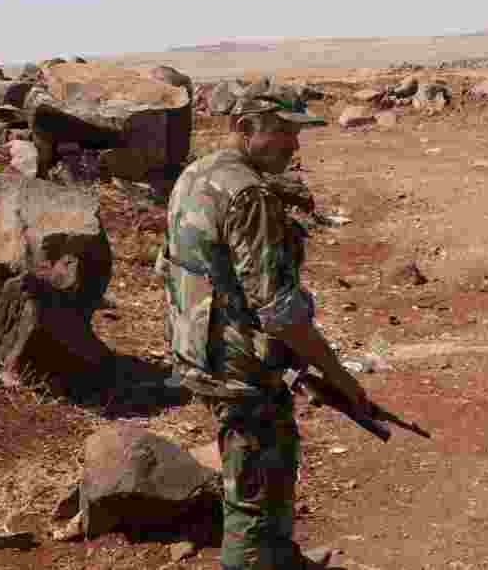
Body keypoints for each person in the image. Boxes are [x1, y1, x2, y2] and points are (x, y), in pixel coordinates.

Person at [157, 92, 369, 570]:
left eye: (297, 133)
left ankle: (279, 558)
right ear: (245, 125)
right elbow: (278, 311)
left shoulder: (198, 172)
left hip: (198, 344)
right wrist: (338, 375)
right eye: (283, 131)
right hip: (237, 359)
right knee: (256, 480)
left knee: (259, 462)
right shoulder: (248, 193)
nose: (294, 144)